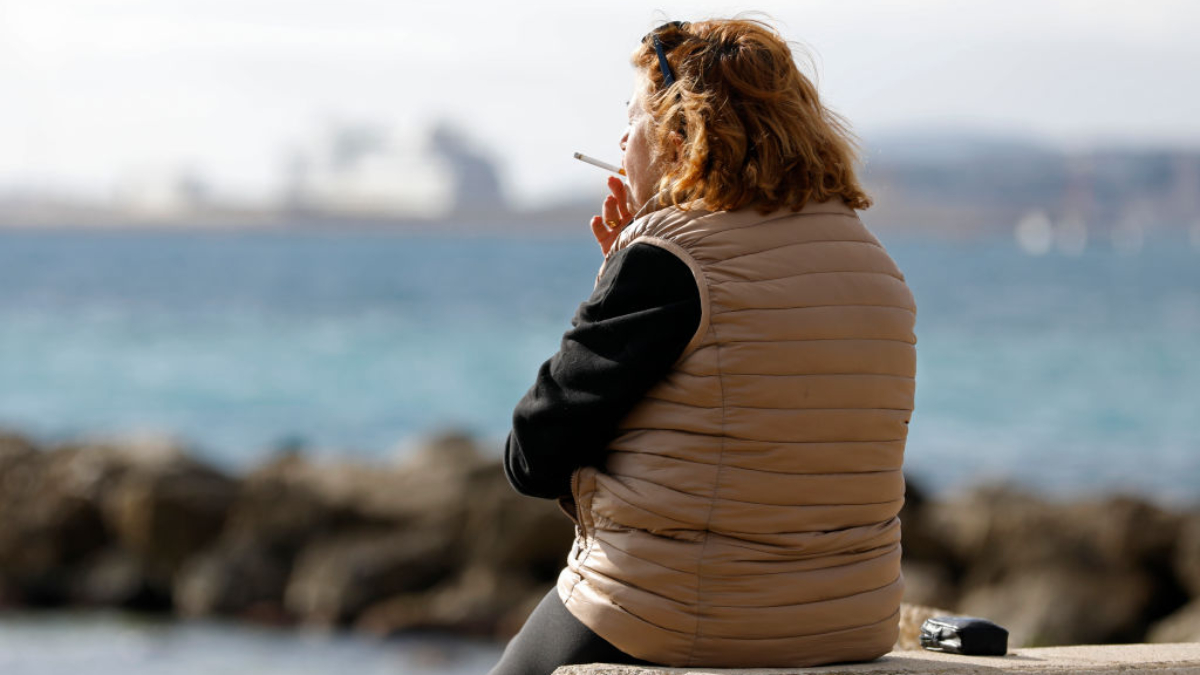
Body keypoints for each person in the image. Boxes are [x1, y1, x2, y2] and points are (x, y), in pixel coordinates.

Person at [490, 17, 916, 674]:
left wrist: (621, 272)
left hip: (675, 616)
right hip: (852, 622)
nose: (621, 137)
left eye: (632, 116)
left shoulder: (669, 260)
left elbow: (533, 455)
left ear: (679, 136)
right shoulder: (878, 265)